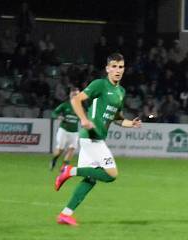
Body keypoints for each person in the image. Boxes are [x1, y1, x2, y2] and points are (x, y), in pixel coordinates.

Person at [53, 53, 141, 226]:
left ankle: (65, 214)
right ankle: (69, 171)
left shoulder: (120, 92)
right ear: (107, 68)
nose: (117, 70)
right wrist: (84, 119)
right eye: (114, 66)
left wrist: (131, 123)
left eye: (121, 67)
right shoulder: (100, 85)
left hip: (94, 138)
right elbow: (76, 100)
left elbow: (117, 118)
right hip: (92, 137)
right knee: (111, 175)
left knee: (91, 179)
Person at [50, 86, 80, 170]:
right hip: (64, 130)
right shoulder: (65, 105)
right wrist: (58, 117)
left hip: (74, 132)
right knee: (60, 149)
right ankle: (54, 160)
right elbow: (53, 113)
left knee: (72, 149)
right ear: (70, 95)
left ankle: (64, 167)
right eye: (73, 94)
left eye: (76, 94)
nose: (75, 96)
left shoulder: (81, 106)